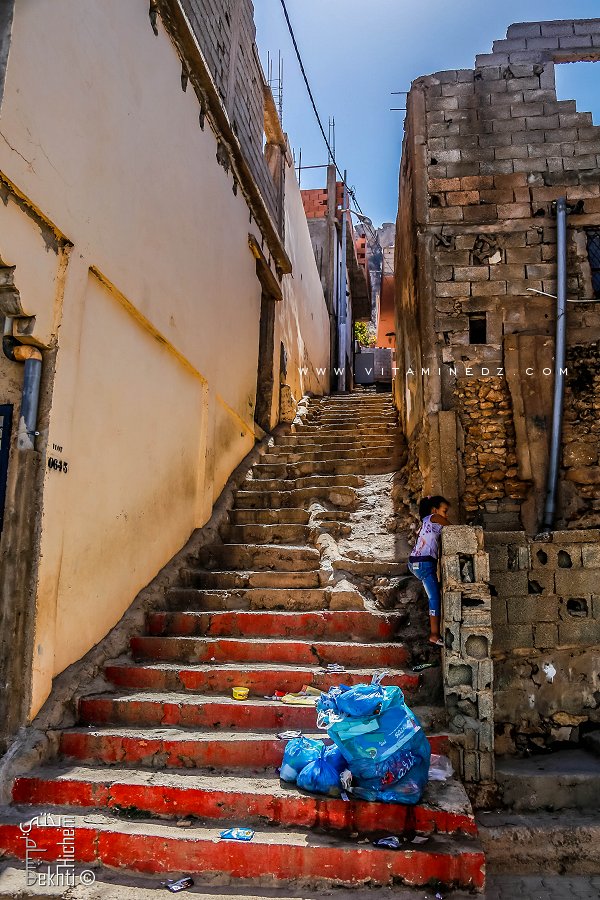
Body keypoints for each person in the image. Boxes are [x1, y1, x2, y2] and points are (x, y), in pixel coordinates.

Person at [407, 495, 451, 647]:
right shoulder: (434, 518)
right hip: (424, 564)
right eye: (444, 511)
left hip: (415, 563)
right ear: (434, 510)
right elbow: (454, 529)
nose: (446, 515)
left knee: (434, 589)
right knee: (434, 598)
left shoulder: (425, 522)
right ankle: (434, 634)